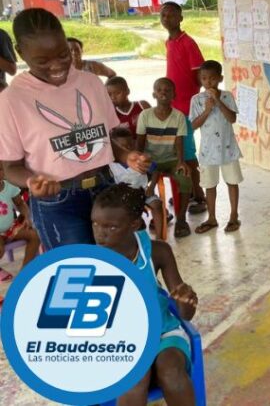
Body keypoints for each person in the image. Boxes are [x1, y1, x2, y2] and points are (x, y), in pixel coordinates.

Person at [0, 8, 150, 248]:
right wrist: (32, 181)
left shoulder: (90, 83)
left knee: (119, 266)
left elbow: (101, 139)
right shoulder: (11, 100)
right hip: (57, 203)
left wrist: (125, 156)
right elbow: (9, 167)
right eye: (43, 61)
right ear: (21, 53)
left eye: (63, 55)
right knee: (79, 273)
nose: (57, 66)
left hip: (105, 191)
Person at [91, 184, 197, 405]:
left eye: (110, 227)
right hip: (121, 342)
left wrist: (186, 302)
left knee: (172, 374)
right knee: (136, 380)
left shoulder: (158, 251)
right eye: (95, 224)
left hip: (163, 333)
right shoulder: (91, 263)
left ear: (134, 224)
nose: (100, 233)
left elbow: (185, 313)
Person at [161, 1, 207, 215]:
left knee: (188, 155)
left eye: (171, 15)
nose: (166, 19)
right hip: (172, 108)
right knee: (178, 152)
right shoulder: (168, 43)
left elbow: (200, 74)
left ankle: (199, 196)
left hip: (187, 108)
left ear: (180, 18)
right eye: (163, 15)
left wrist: (201, 100)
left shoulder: (188, 43)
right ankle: (185, 194)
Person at [190, 60, 243, 234]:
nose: (208, 82)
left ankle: (234, 216)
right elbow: (193, 125)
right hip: (208, 150)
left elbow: (232, 119)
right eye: (204, 79)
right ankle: (212, 218)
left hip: (228, 148)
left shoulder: (227, 96)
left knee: (232, 181)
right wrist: (207, 110)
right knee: (209, 184)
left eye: (212, 79)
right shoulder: (197, 100)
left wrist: (219, 103)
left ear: (220, 78)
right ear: (200, 79)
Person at [136, 78, 192, 238]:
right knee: (135, 183)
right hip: (150, 160)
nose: (163, 92)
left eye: (168, 90)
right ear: (154, 94)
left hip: (171, 159)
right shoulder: (145, 115)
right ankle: (140, 218)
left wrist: (181, 162)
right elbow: (140, 143)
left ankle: (181, 219)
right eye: (159, 90)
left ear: (174, 94)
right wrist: (139, 163)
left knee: (186, 178)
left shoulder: (178, 116)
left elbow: (179, 141)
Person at [109, 127, 166, 239]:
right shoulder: (111, 164)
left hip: (143, 193)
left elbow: (155, 171)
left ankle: (159, 238)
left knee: (157, 205)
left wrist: (151, 187)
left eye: (130, 145)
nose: (127, 148)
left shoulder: (140, 159)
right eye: (122, 147)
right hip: (123, 198)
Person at [0, 165, 41, 275]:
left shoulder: (9, 187)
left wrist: (27, 217)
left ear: (4, 172)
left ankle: (25, 269)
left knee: (35, 235)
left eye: (0, 170)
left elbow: (20, 203)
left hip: (10, 228)